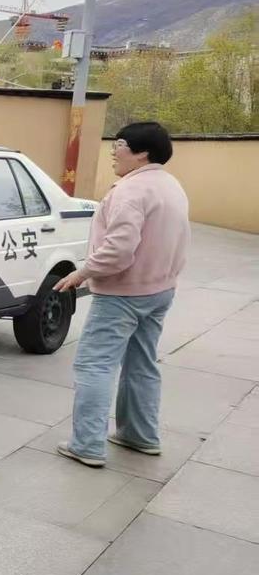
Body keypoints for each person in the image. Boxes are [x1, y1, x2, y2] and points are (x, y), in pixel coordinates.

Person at [54, 122, 190, 468]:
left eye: (120, 144)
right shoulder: (170, 185)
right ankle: (139, 435)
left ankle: (86, 444)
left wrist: (82, 272)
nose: (113, 151)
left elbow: (118, 250)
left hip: (122, 294)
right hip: (160, 290)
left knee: (94, 365)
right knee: (142, 363)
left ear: (142, 153)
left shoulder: (131, 191)